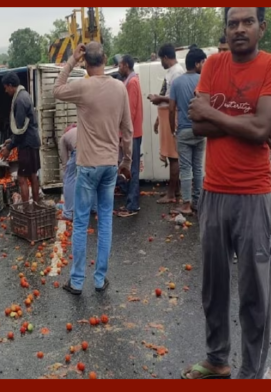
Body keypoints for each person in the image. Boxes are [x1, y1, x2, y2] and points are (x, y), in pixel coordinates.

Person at [181, 7, 271, 380]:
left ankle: (251, 372)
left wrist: (224, 118)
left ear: (262, 26)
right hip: (213, 192)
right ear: (225, 29)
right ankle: (217, 359)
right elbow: (196, 125)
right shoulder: (213, 64)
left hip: (252, 193)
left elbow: (261, 130)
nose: (239, 29)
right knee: (214, 287)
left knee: (255, 292)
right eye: (232, 23)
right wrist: (250, 124)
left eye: (247, 22)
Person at [53, 42, 132, 296]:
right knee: (106, 221)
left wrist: (71, 61)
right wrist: (127, 160)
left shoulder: (83, 86)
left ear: (86, 63)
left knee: (80, 222)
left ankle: (76, 282)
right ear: (106, 59)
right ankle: (99, 280)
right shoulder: (120, 88)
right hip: (110, 165)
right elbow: (127, 130)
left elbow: (56, 89)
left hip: (87, 164)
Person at [168, 48, 207, 216]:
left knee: (185, 168)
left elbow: (171, 109)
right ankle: (198, 203)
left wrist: (172, 130)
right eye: (203, 62)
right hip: (200, 130)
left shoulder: (177, 82)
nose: (204, 65)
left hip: (183, 130)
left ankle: (186, 204)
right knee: (198, 167)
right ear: (197, 63)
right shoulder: (203, 81)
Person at [148, 43, 184, 205]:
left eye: (161, 59)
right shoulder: (171, 73)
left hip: (172, 116)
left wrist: (158, 99)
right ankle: (175, 190)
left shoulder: (178, 73)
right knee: (170, 155)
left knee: (173, 156)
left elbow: (174, 99)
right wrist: (157, 119)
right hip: (165, 115)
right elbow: (167, 95)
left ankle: (172, 194)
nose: (160, 62)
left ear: (166, 58)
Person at [0, 72, 41, 203]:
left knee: (22, 178)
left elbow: (20, 130)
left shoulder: (19, 100)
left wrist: (9, 147)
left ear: (11, 86)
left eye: (6, 87)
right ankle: (35, 205)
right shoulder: (25, 94)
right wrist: (11, 139)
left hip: (26, 144)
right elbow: (21, 126)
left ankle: (26, 209)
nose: (5, 91)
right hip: (33, 141)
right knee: (33, 175)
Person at [116, 54, 144, 217]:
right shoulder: (130, 80)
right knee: (126, 168)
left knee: (131, 169)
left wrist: (123, 136)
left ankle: (132, 205)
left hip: (131, 134)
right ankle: (131, 200)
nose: (119, 68)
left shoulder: (132, 82)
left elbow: (130, 112)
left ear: (126, 65)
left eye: (120, 65)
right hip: (132, 133)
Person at [58, 124, 78, 221]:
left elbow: (64, 160)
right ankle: (94, 208)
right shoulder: (79, 130)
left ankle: (68, 212)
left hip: (79, 150)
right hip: (92, 150)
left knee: (69, 179)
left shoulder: (63, 138)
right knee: (90, 179)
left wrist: (66, 171)